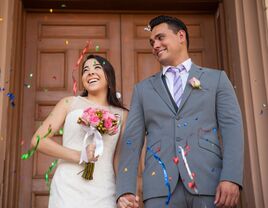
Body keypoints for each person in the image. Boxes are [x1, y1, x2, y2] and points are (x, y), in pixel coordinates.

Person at [116, 15, 244, 208]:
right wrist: (126, 188)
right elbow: (132, 140)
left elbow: (232, 131)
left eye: (160, 38)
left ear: (181, 36)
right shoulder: (142, 90)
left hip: (210, 184)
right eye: (152, 42)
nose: (155, 45)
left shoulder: (216, 79)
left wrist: (231, 177)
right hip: (159, 188)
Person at [31, 54, 129, 208]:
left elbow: (118, 159)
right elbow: (38, 140)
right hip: (68, 186)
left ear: (109, 77)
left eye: (97, 68)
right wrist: (79, 155)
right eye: (85, 70)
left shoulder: (122, 115)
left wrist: (123, 192)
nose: (90, 72)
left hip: (104, 188)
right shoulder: (69, 103)